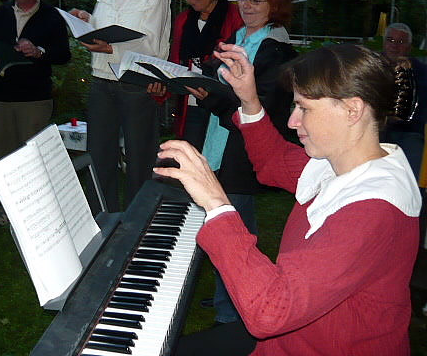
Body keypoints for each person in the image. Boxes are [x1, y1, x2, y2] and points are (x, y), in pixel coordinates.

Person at [155, 43, 422, 356]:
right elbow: (274, 160)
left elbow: (271, 310)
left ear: (353, 110)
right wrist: (249, 99)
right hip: (289, 339)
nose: (293, 122)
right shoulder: (344, 165)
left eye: (304, 108)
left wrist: (216, 203)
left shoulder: (374, 207)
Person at [190, 0, 297, 323]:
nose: (247, 5)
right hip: (219, 142)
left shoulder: (276, 49)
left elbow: (260, 107)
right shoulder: (238, 36)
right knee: (223, 221)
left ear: (274, 4)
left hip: (243, 150)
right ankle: (227, 294)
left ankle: (232, 312)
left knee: (234, 230)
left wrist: (212, 99)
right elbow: (212, 75)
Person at [70, 0, 171, 212]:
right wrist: (86, 21)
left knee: (139, 158)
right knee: (99, 155)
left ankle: (137, 222)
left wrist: (112, 47)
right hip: (102, 78)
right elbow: (105, 25)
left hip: (136, 80)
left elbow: (153, 41)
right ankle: (102, 219)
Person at [0, 0, 70, 228]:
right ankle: (6, 211)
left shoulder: (51, 16)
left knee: (33, 158)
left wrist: (40, 51)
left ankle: (35, 215)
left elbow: (64, 55)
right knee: (4, 157)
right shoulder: (0, 14)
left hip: (34, 98)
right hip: (3, 96)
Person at [167, 0, 243, 150]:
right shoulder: (184, 20)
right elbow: (175, 62)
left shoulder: (236, 17)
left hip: (225, 108)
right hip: (190, 106)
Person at [381, 22, 426, 179]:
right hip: (374, 130)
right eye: (390, 40)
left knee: (413, 153)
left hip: (409, 132)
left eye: (400, 42)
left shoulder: (421, 72)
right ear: (384, 42)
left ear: (409, 46)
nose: (394, 46)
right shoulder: (372, 67)